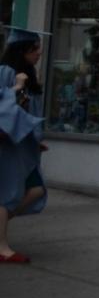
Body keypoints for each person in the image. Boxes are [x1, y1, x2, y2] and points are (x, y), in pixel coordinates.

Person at [1, 28, 50, 264]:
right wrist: (16, 88)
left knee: (35, 190)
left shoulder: (28, 73)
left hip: (22, 146)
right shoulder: (6, 72)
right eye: (35, 48)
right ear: (22, 50)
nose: (39, 52)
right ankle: (2, 248)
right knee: (6, 192)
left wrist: (35, 140)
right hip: (7, 146)